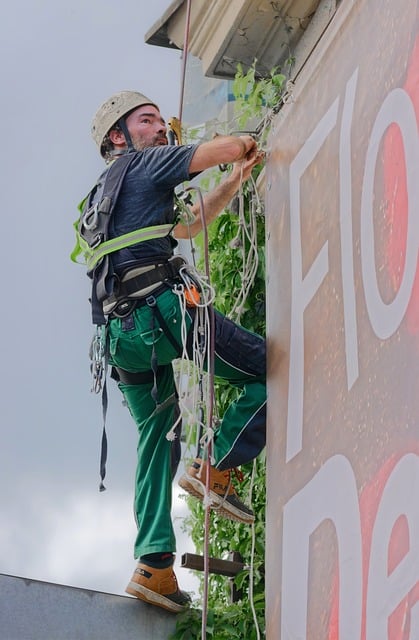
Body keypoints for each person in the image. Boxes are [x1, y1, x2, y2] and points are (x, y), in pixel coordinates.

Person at [76, 91, 266, 613]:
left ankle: (153, 566)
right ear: (118, 135)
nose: (160, 127)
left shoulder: (102, 196)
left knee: (158, 436)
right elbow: (222, 149)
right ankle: (217, 466)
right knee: (268, 369)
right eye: (147, 120)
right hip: (162, 310)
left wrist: (234, 182)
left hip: (119, 341)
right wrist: (245, 144)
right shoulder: (145, 163)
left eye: (161, 120)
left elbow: (184, 226)